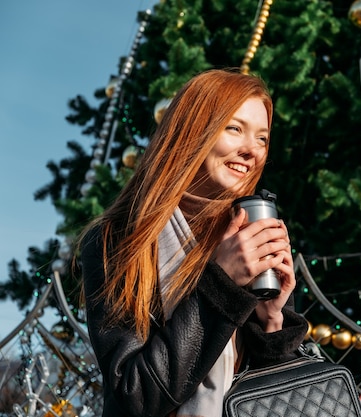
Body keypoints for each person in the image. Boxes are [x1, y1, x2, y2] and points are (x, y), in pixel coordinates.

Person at [79, 68, 308, 417]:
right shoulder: (118, 239)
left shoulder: (244, 236)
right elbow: (134, 395)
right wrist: (222, 285)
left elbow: (276, 398)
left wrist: (272, 321)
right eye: (234, 129)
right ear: (191, 132)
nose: (252, 151)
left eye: (262, 138)